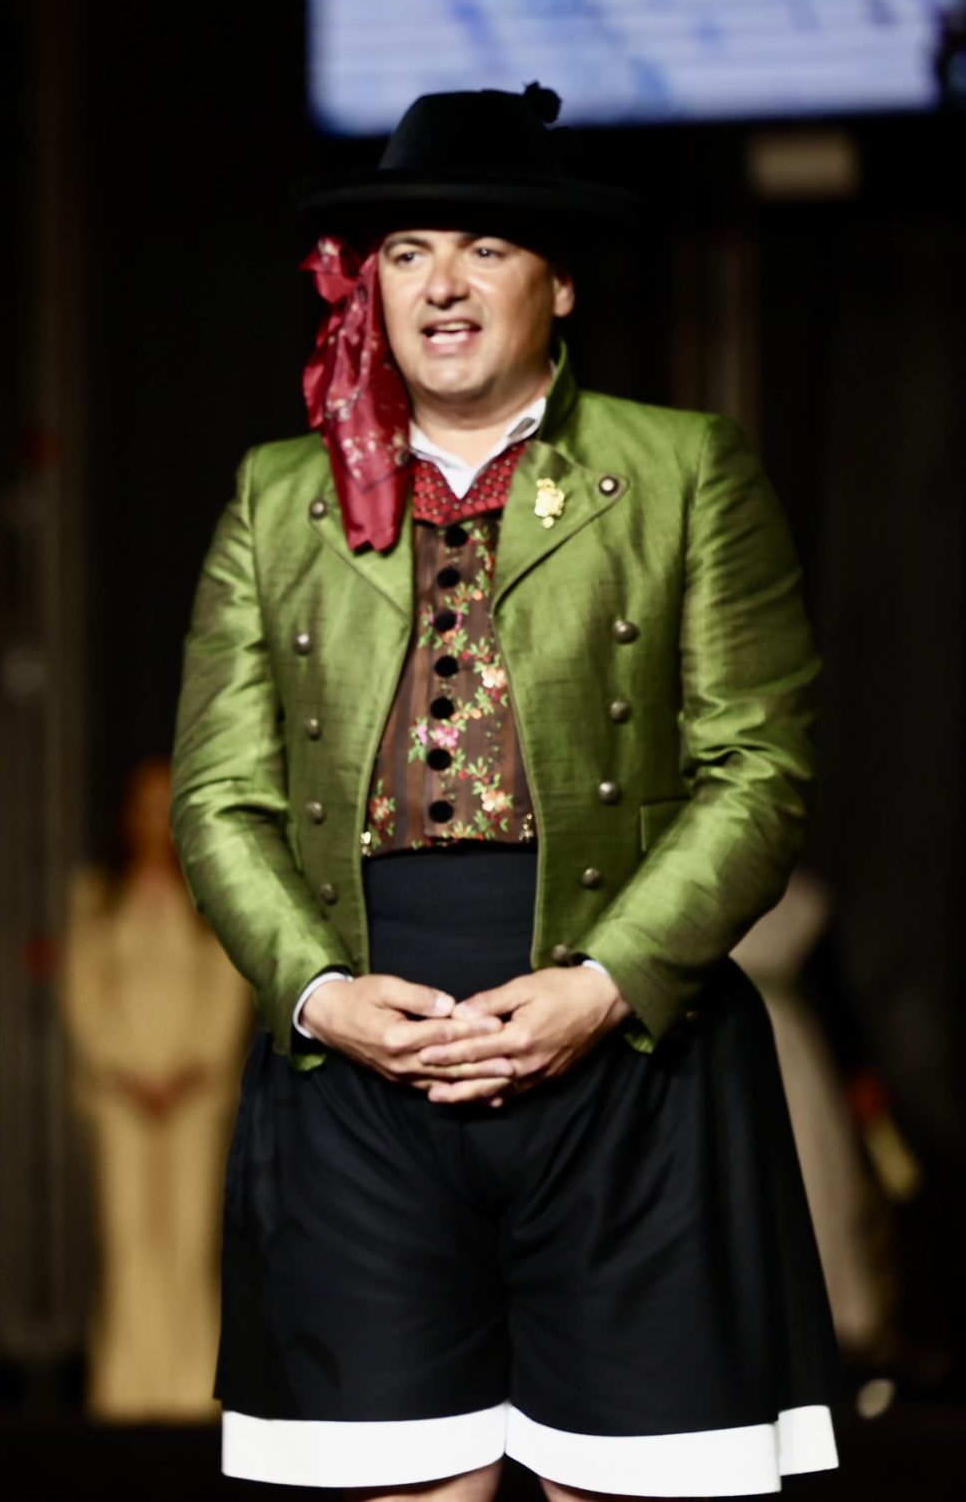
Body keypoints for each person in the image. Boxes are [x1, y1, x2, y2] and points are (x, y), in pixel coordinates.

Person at [173, 84, 839, 1498]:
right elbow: (218, 796)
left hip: (632, 1052)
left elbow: (762, 770)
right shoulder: (278, 496)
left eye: (484, 247)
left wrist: (603, 984)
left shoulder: (682, 469)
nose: (443, 285)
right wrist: (318, 993)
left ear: (561, 280)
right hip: (356, 1060)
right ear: (368, 285)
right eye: (408, 252)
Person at [60, 758, 254, 1423]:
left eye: (168, 808)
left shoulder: (209, 895)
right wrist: (127, 1068)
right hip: (120, 1096)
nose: (156, 822)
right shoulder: (96, 895)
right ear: (127, 817)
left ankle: (191, 1394)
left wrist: (190, 1066)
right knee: (128, 1237)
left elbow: (230, 988)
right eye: (146, 807)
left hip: (196, 1095)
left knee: (189, 1238)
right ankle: (126, 1392)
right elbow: (82, 993)